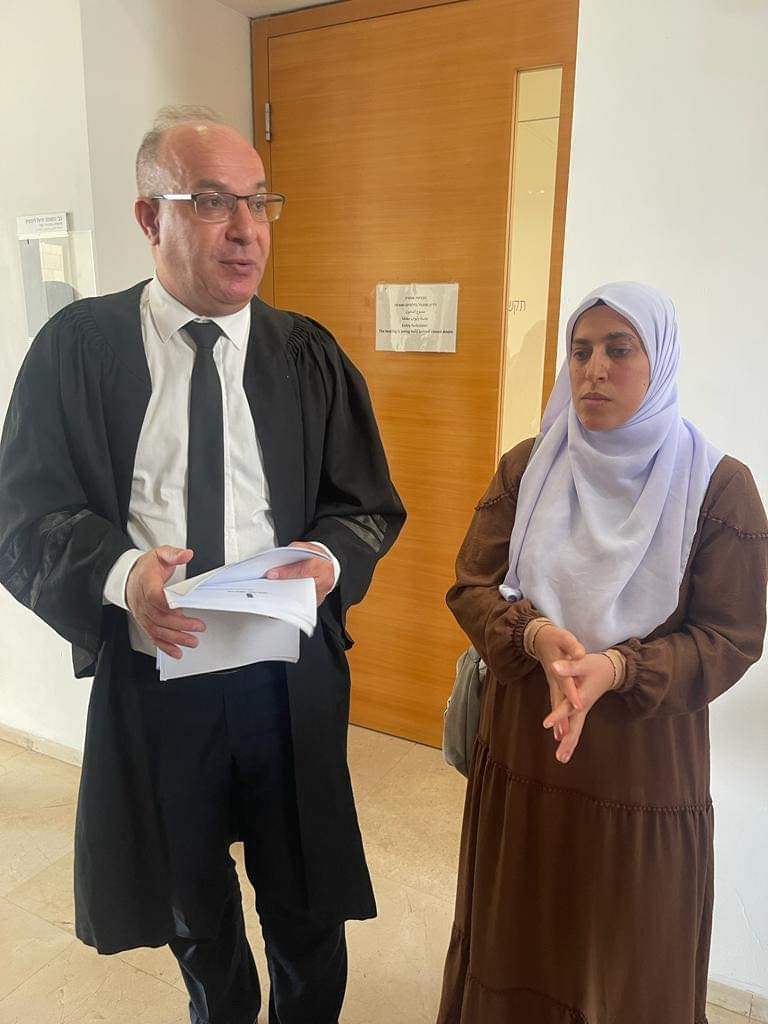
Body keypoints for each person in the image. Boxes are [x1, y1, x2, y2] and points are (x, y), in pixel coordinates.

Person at [0, 106, 405, 1024]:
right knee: (191, 897)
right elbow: (25, 517)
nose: (246, 229)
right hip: (159, 680)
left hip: (285, 677)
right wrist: (123, 575)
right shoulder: (79, 351)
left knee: (307, 897)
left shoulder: (306, 356)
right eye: (215, 202)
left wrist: (328, 560)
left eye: (259, 202)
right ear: (152, 217)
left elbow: (366, 507)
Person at [436, 282, 767, 1024]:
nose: (595, 370)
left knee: (626, 953)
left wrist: (617, 667)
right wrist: (533, 635)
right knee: (518, 934)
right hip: (527, 743)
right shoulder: (530, 468)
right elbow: (470, 585)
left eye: (620, 350)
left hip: (640, 767)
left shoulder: (718, 488)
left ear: (661, 362)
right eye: (581, 351)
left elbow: (732, 636)